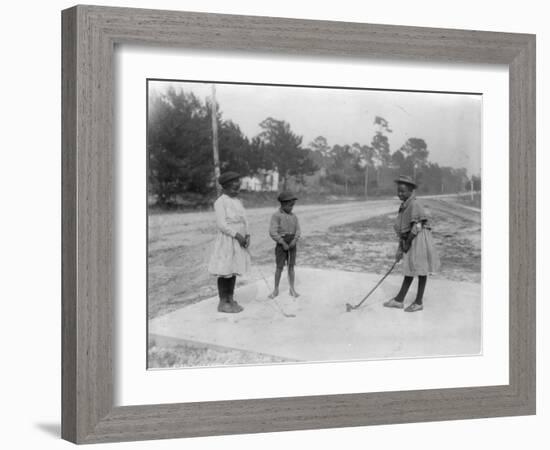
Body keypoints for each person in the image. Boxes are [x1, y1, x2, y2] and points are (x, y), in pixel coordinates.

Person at [383, 175, 440, 312]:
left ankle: (418, 302)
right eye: (398, 191)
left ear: (411, 191)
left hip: (419, 238)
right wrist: (400, 249)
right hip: (410, 238)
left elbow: (418, 226)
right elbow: (403, 230)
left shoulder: (415, 204)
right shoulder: (404, 206)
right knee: (409, 268)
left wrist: (407, 243)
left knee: (421, 269)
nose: (399, 194)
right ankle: (399, 299)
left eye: (403, 191)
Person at [207, 171, 251, 313]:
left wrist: (247, 234)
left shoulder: (238, 201)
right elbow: (222, 224)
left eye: (238, 188)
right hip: (228, 239)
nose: (236, 191)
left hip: (239, 239)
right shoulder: (220, 202)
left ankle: (230, 298)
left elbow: (245, 219)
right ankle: (223, 301)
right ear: (224, 187)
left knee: (233, 270)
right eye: (233, 188)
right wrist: (237, 235)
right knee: (225, 271)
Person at [268, 191, 301, 298]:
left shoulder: (294, 217)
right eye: (290, 205)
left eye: (293, 206)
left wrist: (294, 240)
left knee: (291, 267)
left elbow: (298, 230)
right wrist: (282, 242)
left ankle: (292, 289)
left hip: (292, 243)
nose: (292, 208)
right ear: (283, 204)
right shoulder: (276, 216)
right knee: (279, 267)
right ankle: (275, 289)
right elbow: (272, 232)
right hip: (281, 243)